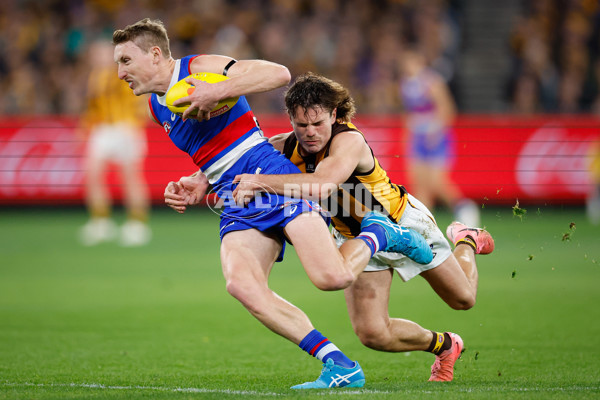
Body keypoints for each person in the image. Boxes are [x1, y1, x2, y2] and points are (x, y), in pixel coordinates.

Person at [115, 18, 432, 389]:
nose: (120, 72)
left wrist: (218, 91)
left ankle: (379, 232)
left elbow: (277, 73)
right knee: (241, 284)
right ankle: (338, 364)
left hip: (270, 175)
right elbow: (216, 150)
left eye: (125, 60)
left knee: (332, 278)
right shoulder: (156, 107)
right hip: (235, 192)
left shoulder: (197, 68)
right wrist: (197, 182)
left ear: (155, 54)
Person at [231, 73, 495, 382]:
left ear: (334, 114)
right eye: (302, 125)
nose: (311, 133)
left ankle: (466, 240)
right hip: (357, 240)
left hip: (404, 224)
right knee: (373, 334)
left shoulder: (349, 140)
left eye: (318, 124)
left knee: (463, 299)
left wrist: (259, 181)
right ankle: (446, 345)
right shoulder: (284, 146)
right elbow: (239, 161)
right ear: (290, 119)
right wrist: (197, 182)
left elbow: (321, 185)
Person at [79, 39, 151, 246]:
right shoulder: (96, 76)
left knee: (130, 176)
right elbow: (93, 106)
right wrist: (85, 126)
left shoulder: (125, 73)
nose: (97, 58)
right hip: (103, 129)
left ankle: (137, 224)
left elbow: (139, 98)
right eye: (95, 54)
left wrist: (135, 124)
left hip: (125, 127)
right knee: (92, 174)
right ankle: (101, 222)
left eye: (101, 54)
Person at [399, 48, 480, 227]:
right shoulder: (405, 84)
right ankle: (424, 225)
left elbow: (447, 108)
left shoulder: (431, 82)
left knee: (437, 182)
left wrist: (435, 132)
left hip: (435, 137)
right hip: (418, 137)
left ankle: (465, 208)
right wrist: (407, 136)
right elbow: (409, 113)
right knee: (419, 185)